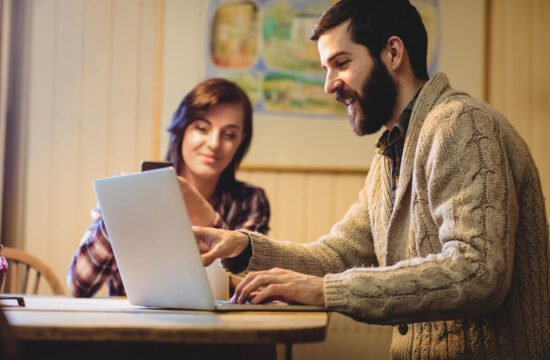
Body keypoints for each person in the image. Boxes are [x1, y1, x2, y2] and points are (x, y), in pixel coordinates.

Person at [192, 0, 550, 359]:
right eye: (325, 69)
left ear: (393, 53)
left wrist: (325, 291)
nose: (330, 85)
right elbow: (338, 256)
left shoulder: (460, 124)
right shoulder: (391, 151)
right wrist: (243, 248)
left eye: (341, 64)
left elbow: (476, 272)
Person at [67, 78, 270, 297]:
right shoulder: (129, 191)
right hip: (134, 324)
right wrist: (116, 214)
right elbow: (79, 286)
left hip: (218, 327)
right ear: (182, 129)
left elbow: (250, 287)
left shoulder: (250, 200)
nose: (214, 143)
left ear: (241, 141)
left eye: (229, 134)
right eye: (202, 128)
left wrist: (207, 217)